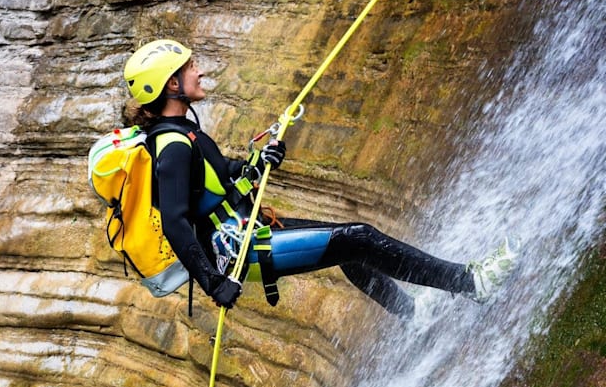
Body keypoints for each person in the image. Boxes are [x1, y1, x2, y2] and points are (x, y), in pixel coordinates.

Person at [121, 39, 515, 316]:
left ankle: (411, 314)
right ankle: (471, 283)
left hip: (245, 230)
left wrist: (257, 163)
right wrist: (213, 283)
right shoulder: (172, 145)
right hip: (235, 250)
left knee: (345, 246)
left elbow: (219, 179)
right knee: (358, 238)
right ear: (172, 85)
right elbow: (175, 220)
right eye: (191, 67)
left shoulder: (182, 132)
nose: (199, 70)